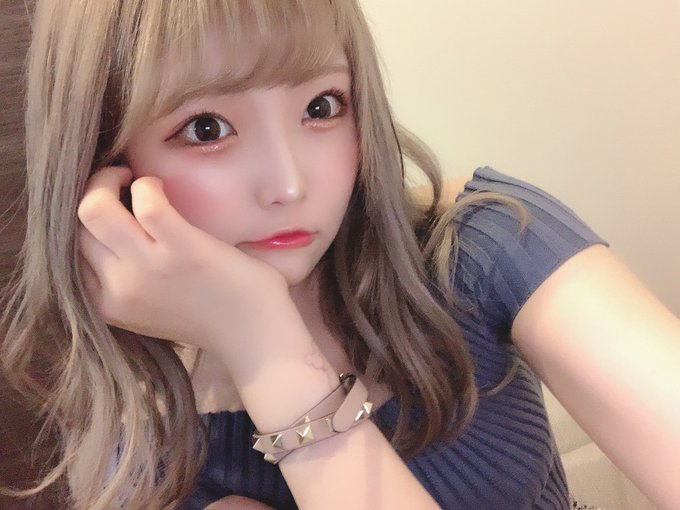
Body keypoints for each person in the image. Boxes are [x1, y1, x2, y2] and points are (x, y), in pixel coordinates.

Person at [0, 1, 678, 509]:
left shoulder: (482, 240)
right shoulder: (149, 444)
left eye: (322, 107)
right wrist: (259, 340)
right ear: (107, 157)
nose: (290, 184)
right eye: (206, 128)